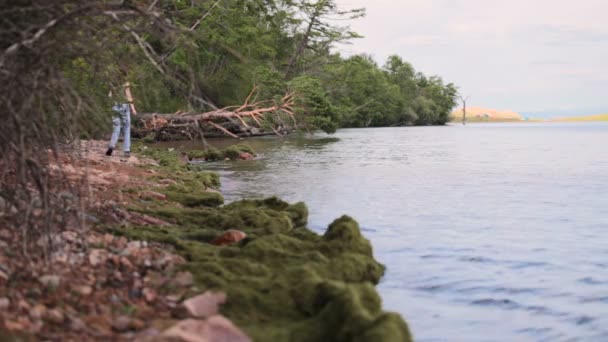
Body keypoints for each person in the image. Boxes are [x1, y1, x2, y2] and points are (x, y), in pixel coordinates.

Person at [106, 75, 137, 157]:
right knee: (126, 128)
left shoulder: (112, 83)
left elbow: (109, 96)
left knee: (116, 129)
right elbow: (129, 96)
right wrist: (133, 109)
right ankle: (126, 150)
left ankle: (111, 146)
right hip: (124, 107)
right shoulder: (125, 84)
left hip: (115, 107)